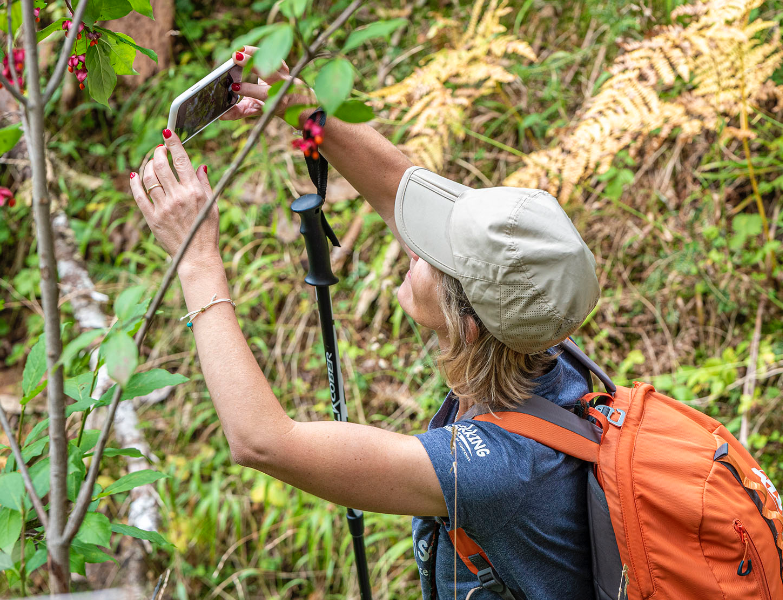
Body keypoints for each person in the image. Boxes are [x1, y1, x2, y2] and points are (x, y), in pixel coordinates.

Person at [129, 46, 603, 599]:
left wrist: (197, 259)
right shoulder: (540, 329)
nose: (409, 245)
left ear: (468, 325)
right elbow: (399, 185)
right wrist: (302, 107)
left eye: (428, 252)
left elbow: (262, 442)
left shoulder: (496, 470)